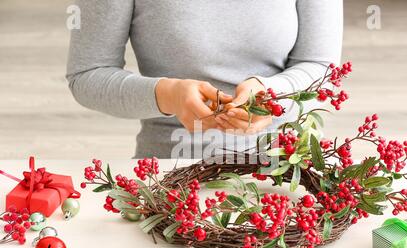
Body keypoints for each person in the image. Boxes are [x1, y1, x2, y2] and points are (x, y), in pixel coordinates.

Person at [66, 0, 342, 158]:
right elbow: (88, 73)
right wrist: (167, 94)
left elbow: (322, 67)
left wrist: (273, 92)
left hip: (290, 176)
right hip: (170, 174)